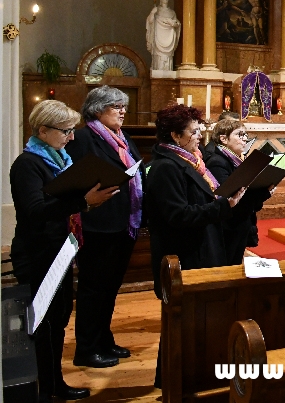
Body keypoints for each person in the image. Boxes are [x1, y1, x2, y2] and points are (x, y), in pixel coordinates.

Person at [10, 100, 118, 401]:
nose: (72, 138)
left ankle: (54, 383)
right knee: (42, 326)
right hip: (37, 255)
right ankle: (43, 388)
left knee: (57, 321)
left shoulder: (57, 159)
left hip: (59, 250)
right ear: (43, 130)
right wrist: (83, 202)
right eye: (66, 131)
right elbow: (34, 211)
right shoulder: (27, 165)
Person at [147, 104, 246, 388]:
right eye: (193, 131)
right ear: (176, 136)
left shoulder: (191, 161)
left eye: (200, 129)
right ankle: (175, 379)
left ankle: (188, 375)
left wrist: (224, 202)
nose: (200, 135)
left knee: (196, 321)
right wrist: (221, 206)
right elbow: (178, 215)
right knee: (182, 323)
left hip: (200, 247)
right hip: (185, 254)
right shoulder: (166, 167)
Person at [65, 86, 144, 369]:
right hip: (97, 224)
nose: (123, 111)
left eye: (123, 106)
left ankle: (104, 338)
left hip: (123, 223)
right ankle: (86, 348)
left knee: (109, 288)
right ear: (97, 110)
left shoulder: (123, 138)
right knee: (93, 288)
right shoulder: (84, 137)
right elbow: (74, 178)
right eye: (116, 107)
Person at [206, 119, 273, 265]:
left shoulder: (237, 160)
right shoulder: (218, 162)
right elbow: (229, 196)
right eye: (239, 135)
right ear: (223, 138)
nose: (244, 139)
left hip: (240, 223)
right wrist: (263, 192)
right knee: (227, 266)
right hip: (229, 226)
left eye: (245, 135)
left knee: (235, 263)